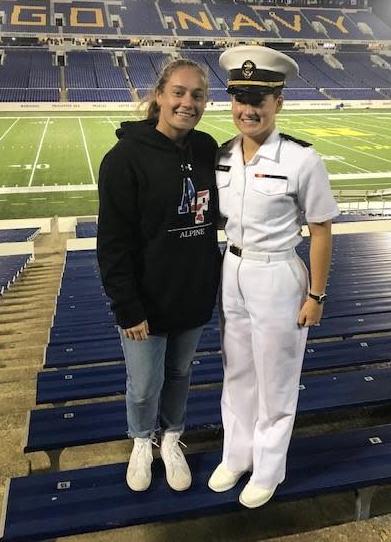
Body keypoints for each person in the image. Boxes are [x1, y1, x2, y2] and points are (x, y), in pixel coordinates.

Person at [208, 45, 339, 508]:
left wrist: (316, 296)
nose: (248, 110)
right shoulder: (222, 155)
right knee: (237, 371)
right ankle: (236, 455)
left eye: (258, 100)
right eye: (240, 99)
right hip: (234, 268)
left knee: (276, 379)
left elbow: (321, 230)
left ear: (278, 103)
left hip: (278, 272)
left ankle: (267, 469)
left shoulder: (302, 159)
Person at [97, 58, 221, 493]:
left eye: (197, 95)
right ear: (159, 95)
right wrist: (127, 307)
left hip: (192, 295)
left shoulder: (206, 148)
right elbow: (112, 244)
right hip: (145, 302)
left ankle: (171, 438)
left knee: (181, 375)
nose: (188, 102)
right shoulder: (124, 159)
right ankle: (140, 440)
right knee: (145, 384)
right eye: (179, 92)